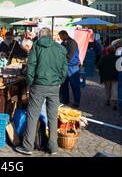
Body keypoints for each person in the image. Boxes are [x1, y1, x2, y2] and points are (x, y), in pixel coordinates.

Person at [15, 28, 68, 156]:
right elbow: (64, 68)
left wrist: (29, 82)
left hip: (38, 85)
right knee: (52, 116)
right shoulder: (60, 48)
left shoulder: (36, 46)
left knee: (33, 115)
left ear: (39, 36)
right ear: (50, 36)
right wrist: (60, 80)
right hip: (54, 86)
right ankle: (53, 147)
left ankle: (28, 146)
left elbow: (31, 66)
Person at [59, 30, 81, 108]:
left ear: (65, 35)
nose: (60, 38)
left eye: (61, 36)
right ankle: (65, 100)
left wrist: (61, 60)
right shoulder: (63, 43)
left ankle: (76, 101)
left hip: (73, 67)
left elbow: (70, 56)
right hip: (65, 67)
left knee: (75, 85)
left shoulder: (72, 43)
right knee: (63, 85)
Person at [98, 45, 119, 110]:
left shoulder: (104, 57)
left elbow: (99, 65)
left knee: (107, 89)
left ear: (108, 51)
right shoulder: (117, 58)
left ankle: (107, 100)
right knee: (114, 89)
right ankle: (114, 102)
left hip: (106, 76)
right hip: (115, 76)